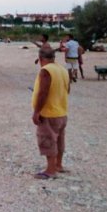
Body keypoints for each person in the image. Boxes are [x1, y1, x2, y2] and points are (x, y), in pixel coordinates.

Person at [31, 46, 70, 179]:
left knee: (48, 140)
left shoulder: (46, 71)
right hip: (62, 111)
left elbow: (43, 92)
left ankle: (50, 170)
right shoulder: (62, 69)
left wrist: (37, 111)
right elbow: (67, 89)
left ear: (40, 58)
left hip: (49, 113)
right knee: (59, 139)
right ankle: (58, 165)